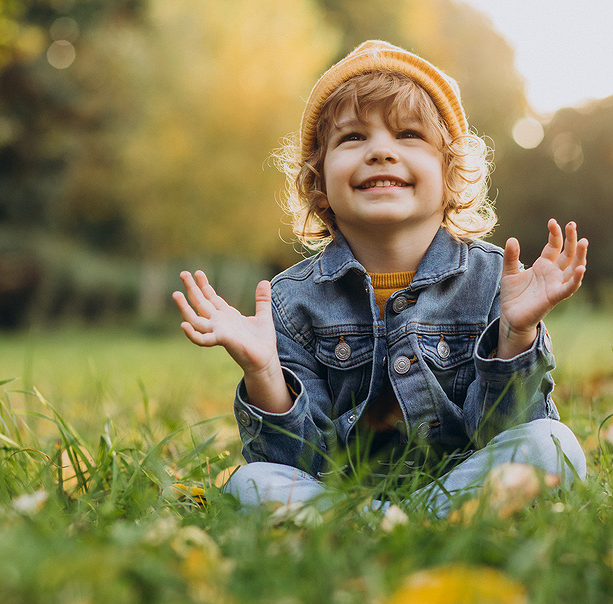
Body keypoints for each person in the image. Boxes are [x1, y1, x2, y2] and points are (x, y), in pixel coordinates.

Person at [172, 40, 588, 517]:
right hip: (342, 497)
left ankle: (401, 522)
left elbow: (502, 434)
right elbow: (300, 463)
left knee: (553, 445)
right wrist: (265, 374)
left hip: (464, 482)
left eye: (408, 134)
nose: (380, 152)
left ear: (450, 173)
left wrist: (517, 336)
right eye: (353, 138)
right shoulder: (291, 303)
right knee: (251, 482)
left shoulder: (495, 281)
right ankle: (382, 522)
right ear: (318, 182)